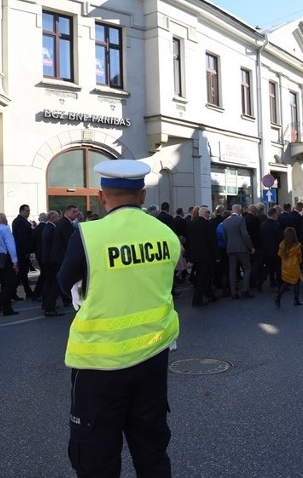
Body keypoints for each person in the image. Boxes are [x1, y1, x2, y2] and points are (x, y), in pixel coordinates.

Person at [56, 158, 180, 478]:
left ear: (101, 197)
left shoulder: (88, 234)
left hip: (99, 364)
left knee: (96, 458)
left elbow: (64, 282)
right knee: (152, 452)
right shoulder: (166, 234)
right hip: (153, 357)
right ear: (142, 196)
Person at [186, 205, 219, 307]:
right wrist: (217, 255)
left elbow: (189, 240)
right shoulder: (208, 224)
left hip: (195, 256)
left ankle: (210, 295)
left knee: (203, 277)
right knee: (203, 278)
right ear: (205, 214)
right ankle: (197, 300)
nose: (209, 215)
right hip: (206, 256)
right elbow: (212, 241)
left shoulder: (191, 224)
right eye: (208, 213)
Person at [0, 213, 20, 318]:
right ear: (3, 219)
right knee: (10, 285)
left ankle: (7, 308)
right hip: (6, 259)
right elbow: (10, 245)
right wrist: (15, 261)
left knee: (4, 284)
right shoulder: (5, 229)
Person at [222, 204, 255, 299]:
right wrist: (251, 247)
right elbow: (245, 235)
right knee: (247, 268)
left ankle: (233, 293)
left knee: (232, 270)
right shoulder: (241, 220)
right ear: (239, 210)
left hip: (230, 248)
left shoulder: (225, 221)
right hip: (241, 248)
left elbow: (224, 236)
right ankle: (245, 290)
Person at [39, 211, 65, 317]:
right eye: (57, 217)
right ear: (52, 218)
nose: (59, 218)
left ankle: (46, 304)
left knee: (48, 282)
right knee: (52, 283)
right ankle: (50, 306)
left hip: (47, 259)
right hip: (51, 260)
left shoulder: (47, 228)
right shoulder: (52, 229)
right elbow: (56, 245)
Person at [276, 226, 303, 307]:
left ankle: (278, 298)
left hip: (285, 266)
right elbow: (299, 257)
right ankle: (296, 300)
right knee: (296, 283)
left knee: (285, 282)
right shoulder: (297, 245)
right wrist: (299, 263)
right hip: (294, 266)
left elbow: (279, 254)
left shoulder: (282, 244)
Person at [12, 204, 34, 299]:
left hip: (22, 251)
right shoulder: (20, 222)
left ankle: (28, 292)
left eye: (29, 211)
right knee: (22, 273)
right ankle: (12, 291)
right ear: (21, 211)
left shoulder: (21, 221)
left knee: (23, 273)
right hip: (22, 252)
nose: (28, 212)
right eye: (26, 211)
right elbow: (22, 239)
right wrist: (26, 252)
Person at [259, 207, 284, 290]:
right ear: (274, 214)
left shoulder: (263, 225)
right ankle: (280, 284)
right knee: (278, 267)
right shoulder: (277, 225)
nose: (277, 216)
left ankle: (262, 282)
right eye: (276, 214)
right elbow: (280, 238)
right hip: (276, 250)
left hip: (266, 250)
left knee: (268, 267)